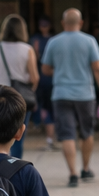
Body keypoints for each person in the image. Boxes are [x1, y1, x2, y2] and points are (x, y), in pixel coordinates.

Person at [41, 8, 99, 186]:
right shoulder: (89, 41)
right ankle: (85, 169)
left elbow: (45, 69)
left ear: (63, 23)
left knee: (67, 135)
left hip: (61, 94)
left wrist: (60, 70)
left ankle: (72, 174)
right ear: (80, 23)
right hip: (85, 95)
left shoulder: (53, 42)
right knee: (87, 132)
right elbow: (97, 69)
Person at [0, 14, 38, 159]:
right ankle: (15, 168)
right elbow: (34, 78)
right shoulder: (27, 49)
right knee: (17, 137)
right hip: (19, 98)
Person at [30, 15, 58, 150]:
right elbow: (32, 60)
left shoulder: (54, 40)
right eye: (41, 24)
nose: (43, 27)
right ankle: (39, 124)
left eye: (46, 24)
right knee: (40, 105)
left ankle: (50, 134)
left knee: (50, 107)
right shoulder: (35, 40)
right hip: (40, 77)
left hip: (52, 78)